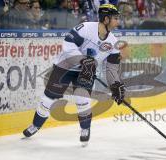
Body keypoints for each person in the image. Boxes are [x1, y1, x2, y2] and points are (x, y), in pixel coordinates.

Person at [23, 4, 125, 146]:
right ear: (106, 19)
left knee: (82, 99)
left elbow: (112, 68)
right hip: (65, 66)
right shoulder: (85, 28)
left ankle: (85, 128)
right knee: (48, 99)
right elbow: (68, 44)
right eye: (115, 18)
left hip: (86, 72)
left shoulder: (113, 42)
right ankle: (35, 125)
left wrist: (115, 85)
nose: (118, 21)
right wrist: (82, 59)